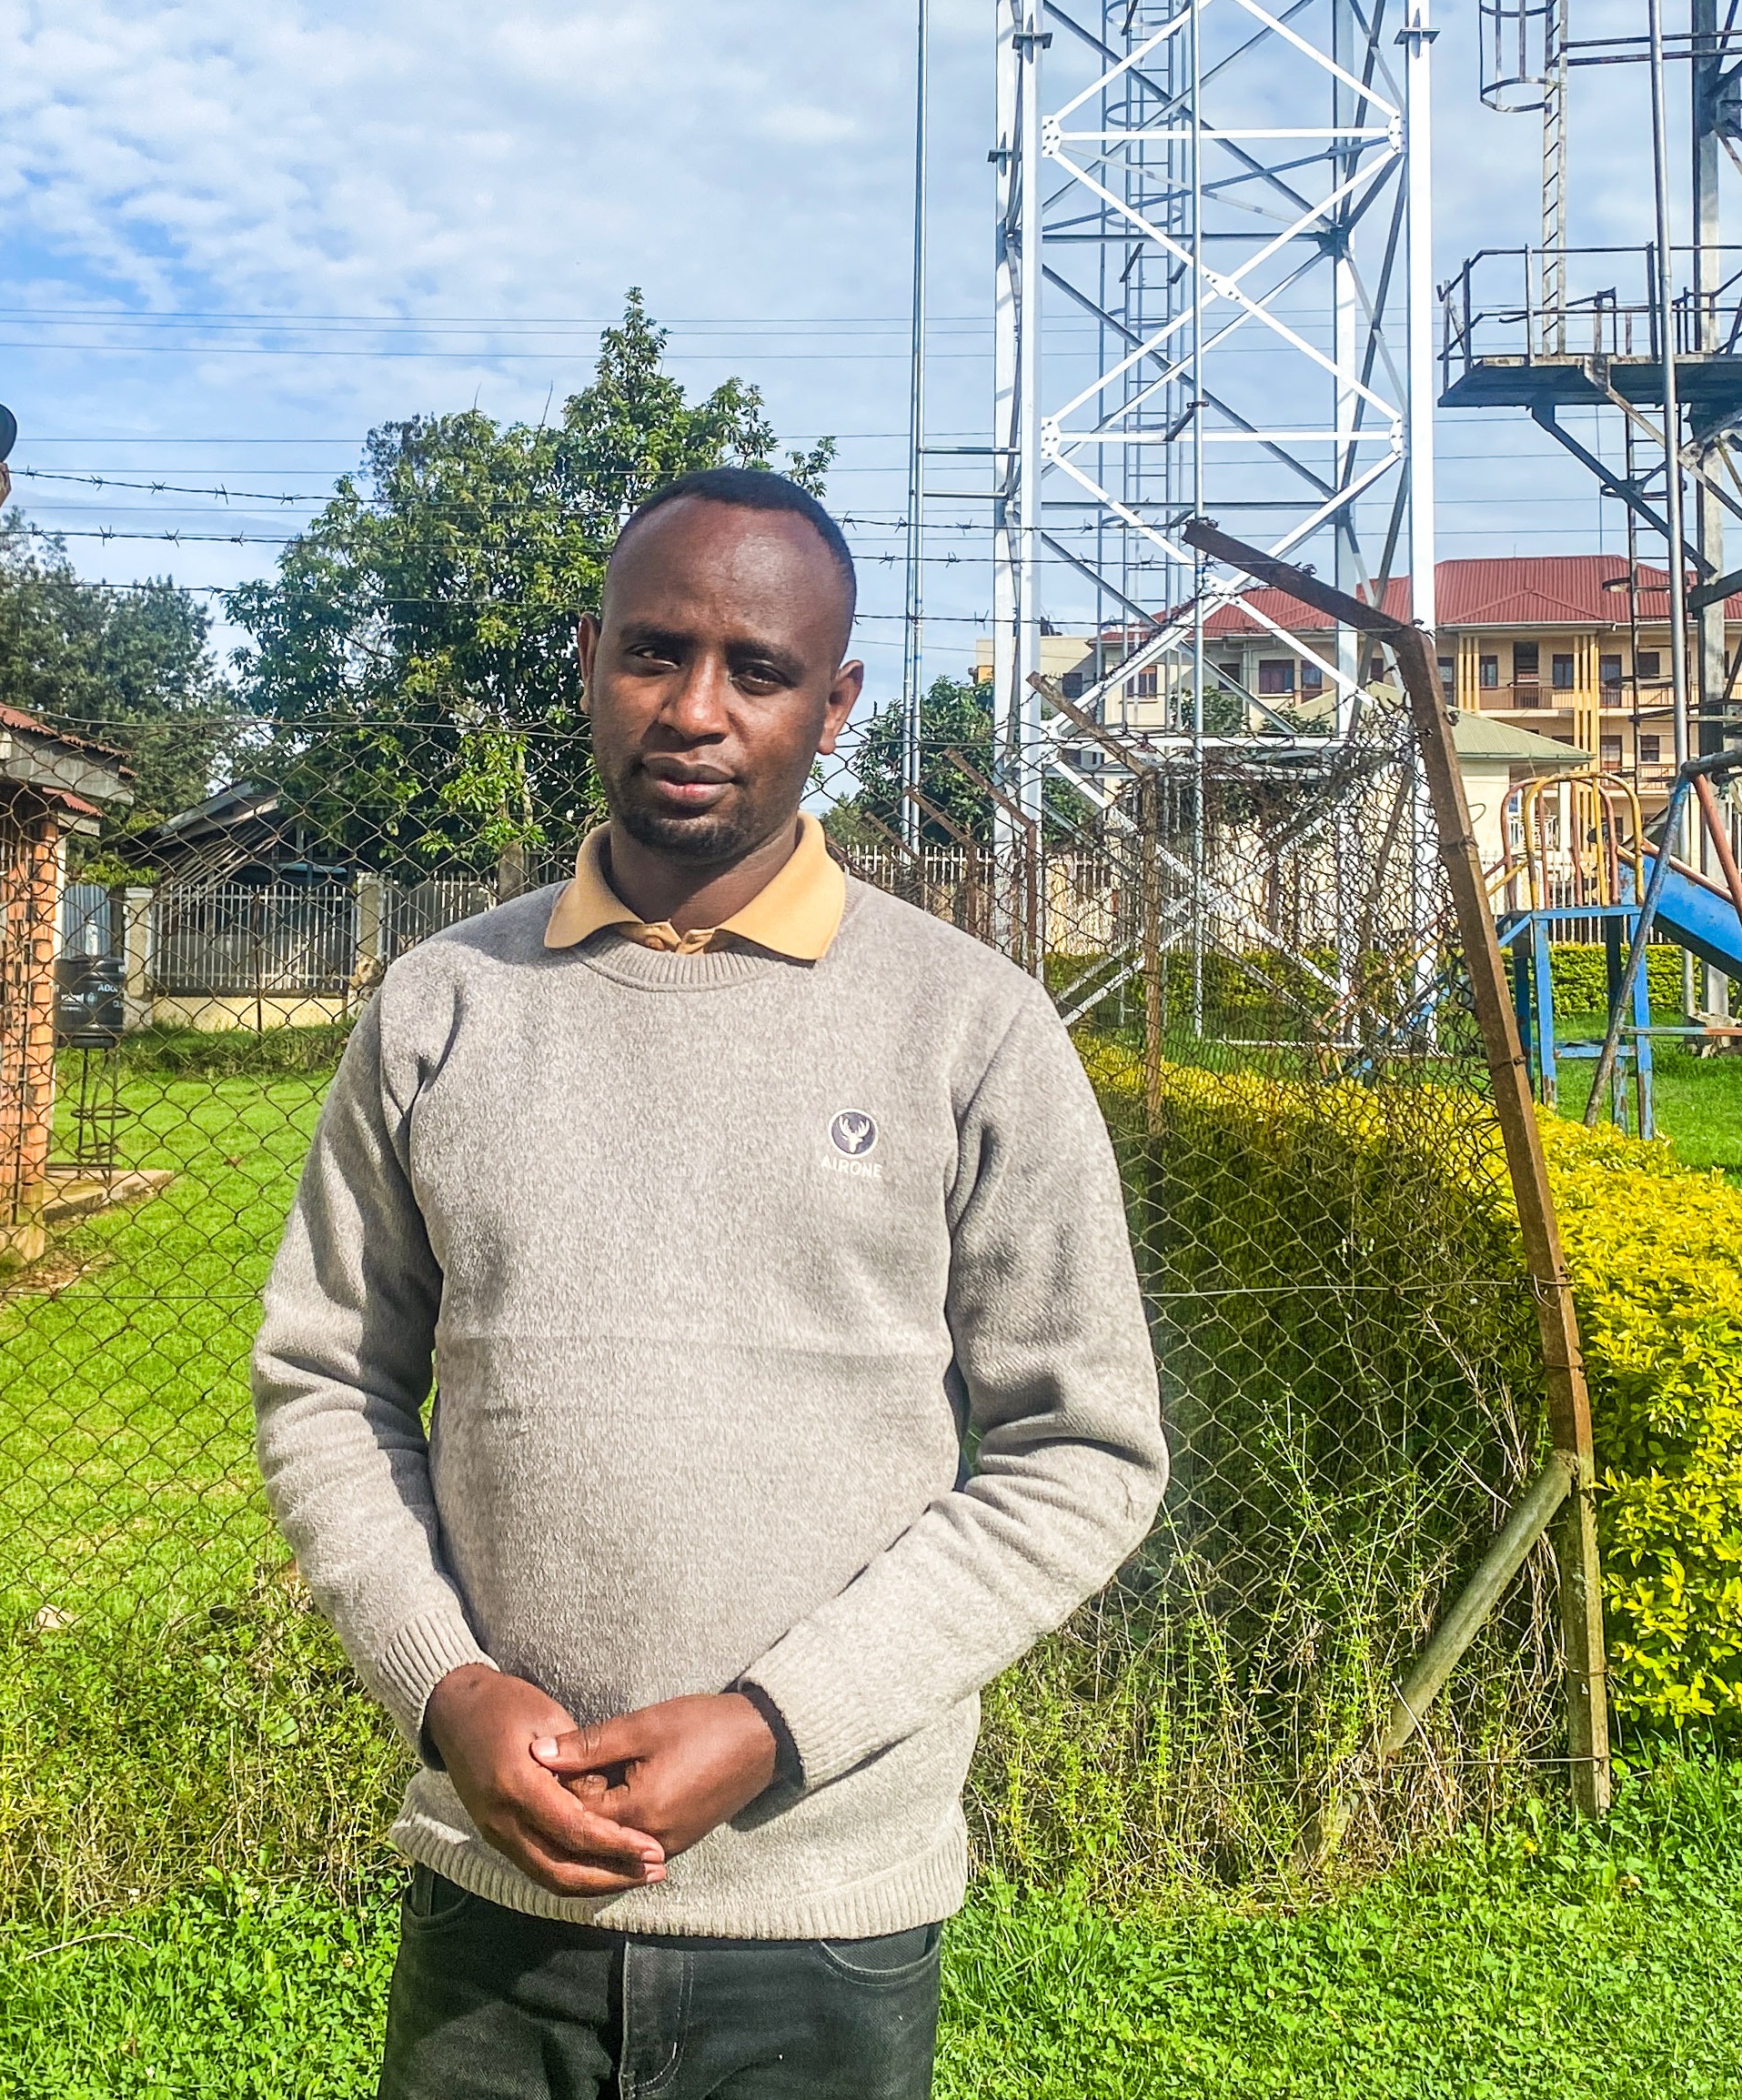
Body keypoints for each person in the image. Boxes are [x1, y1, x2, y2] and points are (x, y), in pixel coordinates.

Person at [254, 467, 1166, 2099]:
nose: (695, 709)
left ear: (835, 705)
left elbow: (1079, 1457)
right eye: (653, 653)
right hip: (493, 1893)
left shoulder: (969, 1027)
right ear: (589, 655)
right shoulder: (442, 1004)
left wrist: (772, 1722)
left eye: (758, 671)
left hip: (823, 1913)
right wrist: (442, 1686)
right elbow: (325, 1379)